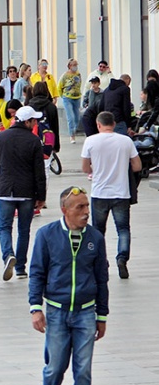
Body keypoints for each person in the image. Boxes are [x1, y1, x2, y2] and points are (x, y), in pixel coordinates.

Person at [29, 186, 109, 385]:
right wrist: (35, 308)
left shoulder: (95, 238)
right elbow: (37, 272)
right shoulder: (47, 235)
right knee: (55, 368)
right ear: (65, 210)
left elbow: (102, 278)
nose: (86, 212)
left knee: (83, 370)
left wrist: (102, 316)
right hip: (56, 312)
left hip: (85, 313)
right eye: (80, 207)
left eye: (87, 206)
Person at [0, 106, 47, 281]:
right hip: (27, 192)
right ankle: (20, 267)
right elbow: (39, 172)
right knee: (24, 229)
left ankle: (8, 255)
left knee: (4, 227)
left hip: (5, 190)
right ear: (26, 122)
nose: (35, 123)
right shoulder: (34, 140)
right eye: (34, 120)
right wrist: (41, 196)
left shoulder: (1, 137)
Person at [80, 111, 142, 279]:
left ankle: (101, 261)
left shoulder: (90, 141)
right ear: (114, 124)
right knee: (123, 228)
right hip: (121, 193)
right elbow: (137, 166)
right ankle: (122, 259)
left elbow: (85, 168)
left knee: (98, 230)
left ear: (98, 125)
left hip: (99, 192)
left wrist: (97, 170)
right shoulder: (126, 141)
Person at [56, 59, 82, 144]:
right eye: (74, 65)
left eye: (76, 65)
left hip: (77, 97)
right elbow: (59, 87)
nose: (75, 66)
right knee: (71, 117)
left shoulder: (78, 74)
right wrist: (63, 96)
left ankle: (74, 129)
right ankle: (72, 135)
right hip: (67, 98)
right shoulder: (65, 76)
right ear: (69, 66)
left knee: (77, 117)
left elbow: (79, 83)